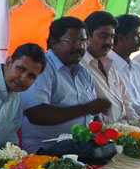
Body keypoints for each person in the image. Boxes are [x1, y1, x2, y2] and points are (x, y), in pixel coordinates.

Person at [20, 16, 110, 153]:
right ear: (53, 42)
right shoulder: (41, 68)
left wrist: (101, 137)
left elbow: (94, 114)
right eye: (73, 41)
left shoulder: (84, 73)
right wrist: (86, 108)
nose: (79, 47)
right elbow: (37, 113)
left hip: (80, 149)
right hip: (45, 151)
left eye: (84, 42)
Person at [81, 11, 138, 123]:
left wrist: (136, 124)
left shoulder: (109, 65)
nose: (109, 42)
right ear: (87, 36)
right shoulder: (81, 67)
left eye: (112, 37)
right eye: (103, 36)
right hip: (103, 130)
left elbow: (126, 101)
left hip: (124, 128)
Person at [108, 14, 140, 115]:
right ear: (121, 38)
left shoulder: (139, 69)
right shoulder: (107, 68)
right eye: (136, 35)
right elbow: (124, 106)